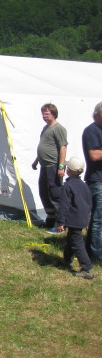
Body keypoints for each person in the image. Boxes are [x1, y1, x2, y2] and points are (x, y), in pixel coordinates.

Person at [54, 157, 94, 279]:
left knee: (77, 244)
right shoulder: (85, 186)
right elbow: (89, 203)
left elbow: (64, 206)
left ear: (68, 170)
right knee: (71, 239)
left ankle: (86, 268)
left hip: (74, 219)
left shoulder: (68, 186)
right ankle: (67, 260)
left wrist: (60, 222)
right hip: (83, 218)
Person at [31, 103, 68, 231]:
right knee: (44, 193)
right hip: (44, 165)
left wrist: (61, 166)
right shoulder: (45, 128)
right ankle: (50, 220)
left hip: (53, 165)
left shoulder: (59, 128)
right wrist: (36, 161)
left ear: (53, 114)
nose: (44, 116)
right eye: (43, 114)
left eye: (46, 114)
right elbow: (44, 146)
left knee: (55, 194)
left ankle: (60, 224)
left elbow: (63, 147)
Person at [83, 101, 102, 264]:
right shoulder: (91, 131)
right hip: (97, 180)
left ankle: (91, 250)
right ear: (98, 115)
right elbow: (94, 155)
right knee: (98, 220)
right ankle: (96, 256)